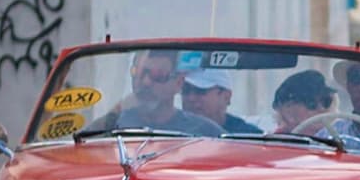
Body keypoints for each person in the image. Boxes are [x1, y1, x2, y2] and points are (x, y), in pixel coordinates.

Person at [92, 49, 221, 135]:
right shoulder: (114, 125)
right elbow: (82, 141)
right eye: (139, 73)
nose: (146, 82)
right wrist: (116, 111)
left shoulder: (204, 132)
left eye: (158, 75)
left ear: (178, 83)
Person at [180, 67, 260, 134]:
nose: (191, 98)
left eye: (200, 91)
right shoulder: (171, 131)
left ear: (226, 96)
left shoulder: (249, 136)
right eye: (185, 90)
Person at [271, 69, 339, 133]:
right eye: (311, 103)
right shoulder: (276, 142)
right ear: (288, 111)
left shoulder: (343, 139)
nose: (322, 108)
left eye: (326, 101)